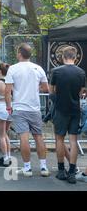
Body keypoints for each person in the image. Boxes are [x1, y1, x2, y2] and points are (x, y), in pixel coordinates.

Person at [5, 43, 50, 177]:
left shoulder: (13, 69)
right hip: (35, 108)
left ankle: (27, 168)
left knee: (23, 137)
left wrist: (8, 106)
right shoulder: (38, 68)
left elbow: (8, 91)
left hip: (19, 107)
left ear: (19, 53)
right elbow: (46, 88)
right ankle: (43, 167)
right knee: (38, 137)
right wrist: (36, 89)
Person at [49, 46, 86, 184]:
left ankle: (61, 170)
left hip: (60, 109)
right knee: (73, 140)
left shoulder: (56, 71)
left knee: (59, 139)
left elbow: (51, 91)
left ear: (63, 57)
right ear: (75, 57)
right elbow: (81, 92)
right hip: (75, 109)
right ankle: (72, 172)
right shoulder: (81, 72)